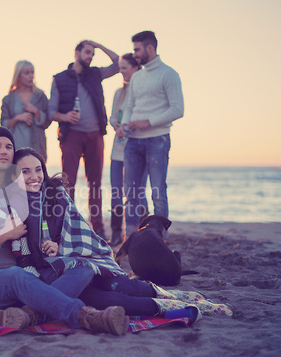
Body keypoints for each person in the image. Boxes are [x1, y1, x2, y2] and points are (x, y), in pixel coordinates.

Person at [0, 126, 129, 336]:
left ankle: (28, 315)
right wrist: (5, 235)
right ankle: (86, 316)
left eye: (8, 147)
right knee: (15, 275)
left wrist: (55, 245)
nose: (3, 150)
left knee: (84, 267)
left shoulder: (16, 187)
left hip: (25, 278)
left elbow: (35, 236)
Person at [8, 147, 232, 321]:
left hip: (75, 262)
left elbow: (76, 230)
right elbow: (21, 253)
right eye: (25, 171)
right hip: (55, 278)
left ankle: (178, 297)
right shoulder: (13, 205)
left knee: (123, 286)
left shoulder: (55, 194)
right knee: (109, 300)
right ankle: (177, 309)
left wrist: (59, 247)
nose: (34, 176)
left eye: (38, 169)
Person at [49, 40, 120, 241]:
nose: (90, 56)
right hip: (71, 135)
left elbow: (117, 63)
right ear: (76, 53)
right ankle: (70, 225)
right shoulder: (60, 79)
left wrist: (98, 45)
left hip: (95, 135)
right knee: (67, 183)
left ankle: (98, 228)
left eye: (92, 54)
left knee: (95, 183)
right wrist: (65, 117)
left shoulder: (96, 74)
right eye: (87, 52)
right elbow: (51, 111)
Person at [120, 31, 184, 239]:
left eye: (137, 49)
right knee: (131, 194)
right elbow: (129, 106)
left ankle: (159, 239)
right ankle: (132, 238)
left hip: (158, 139)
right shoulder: (137, 77)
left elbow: (178, 109)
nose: (134, 54)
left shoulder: (169, 74)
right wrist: (123, 124)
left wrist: (147, 122)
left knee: (158, 193)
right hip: (132, 142)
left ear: (150, 48)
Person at [109, 53, 148, 246]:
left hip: (138, 148)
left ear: (135, 68)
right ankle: (116, 233)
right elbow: (113, 116)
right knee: (116, 191)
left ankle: (144, 232)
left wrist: (129, 127)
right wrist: (117, 126)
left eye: (124, 67)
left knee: (137, 192)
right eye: (120, 67)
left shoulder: (143, 92)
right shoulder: (119, 93)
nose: (121, 71)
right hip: (118, 149)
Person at [1, 60, 50, 161]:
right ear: (18, 76)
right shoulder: (8, 99)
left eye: (32, 72)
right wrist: (17, 118)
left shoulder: (40, 96)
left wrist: (36, 111)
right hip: (15, 148)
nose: (31, 76)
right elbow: (4, 126)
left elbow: (47, 122)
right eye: (27, 73)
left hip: (37, 147)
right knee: (16, 176)